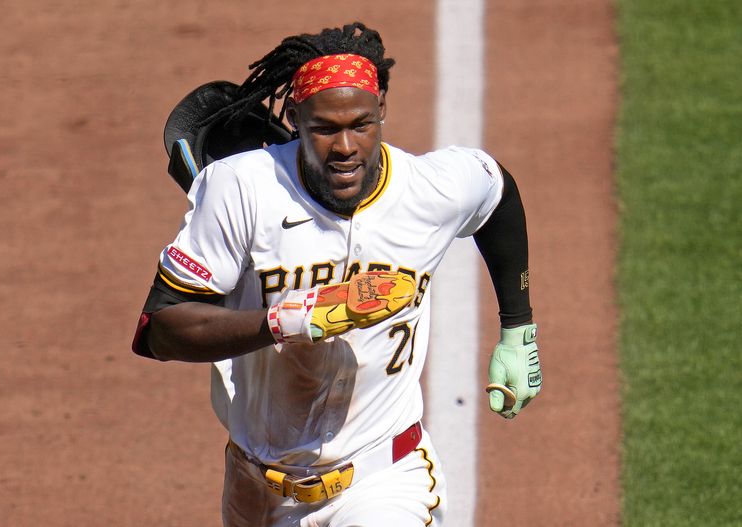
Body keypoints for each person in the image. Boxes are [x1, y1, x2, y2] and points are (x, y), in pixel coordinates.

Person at [132, 21, 542, 527]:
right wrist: (295, 318)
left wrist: (518, 329)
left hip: (383, 479)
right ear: (296, 119)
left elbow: (496, 191)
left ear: (382, 112)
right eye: (324, 128)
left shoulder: (429, 189)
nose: (346, 146)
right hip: (255, 488)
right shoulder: (240, 189)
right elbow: (162, 330)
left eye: (361, 124)